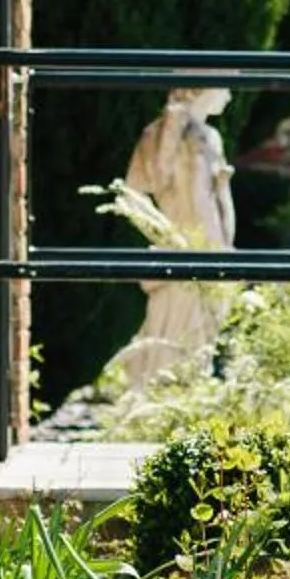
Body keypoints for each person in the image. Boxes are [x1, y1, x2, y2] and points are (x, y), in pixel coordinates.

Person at [111, 86, 236, 388]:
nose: (229, 95)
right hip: (180, 247)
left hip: (214, 246)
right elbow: (134, 190)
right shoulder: (160, 134)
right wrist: (163, 233)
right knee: (172, 332)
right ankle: (159, 398)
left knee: (205, 336)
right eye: (224, 85)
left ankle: (189, 399)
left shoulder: (211, 137)